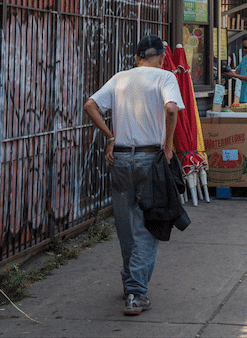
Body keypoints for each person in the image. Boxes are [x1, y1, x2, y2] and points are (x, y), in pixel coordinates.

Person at [83, 34, 185, 316]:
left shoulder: (120, 78)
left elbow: (90, 105)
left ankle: (131, 282)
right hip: (149, 160)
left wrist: (109, 136)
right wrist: (167, 147)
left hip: (121, 160)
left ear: (137, 58)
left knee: (126, 223)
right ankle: (136, 293)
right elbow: (172, 109)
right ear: (162, 57)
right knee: (149, 225)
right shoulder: (165, 78)